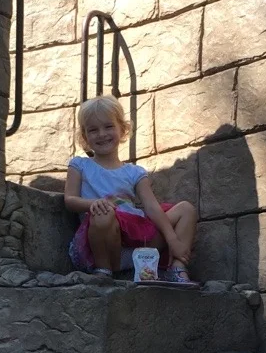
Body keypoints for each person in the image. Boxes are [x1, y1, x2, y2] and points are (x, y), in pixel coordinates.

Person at [64, 95, 199, 284]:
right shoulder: (80, 165)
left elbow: (152, 207)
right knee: (104, 214)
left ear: (123, 129)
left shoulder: (134, 172)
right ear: (85, 137)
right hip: (101, 246)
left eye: (108, 126)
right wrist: (93, 204)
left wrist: (172, 240)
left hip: (137, 247)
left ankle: (177, 268)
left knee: (186, 210)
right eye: (93, 130)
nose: (101, 134)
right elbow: (69, 199)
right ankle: (103, 271)